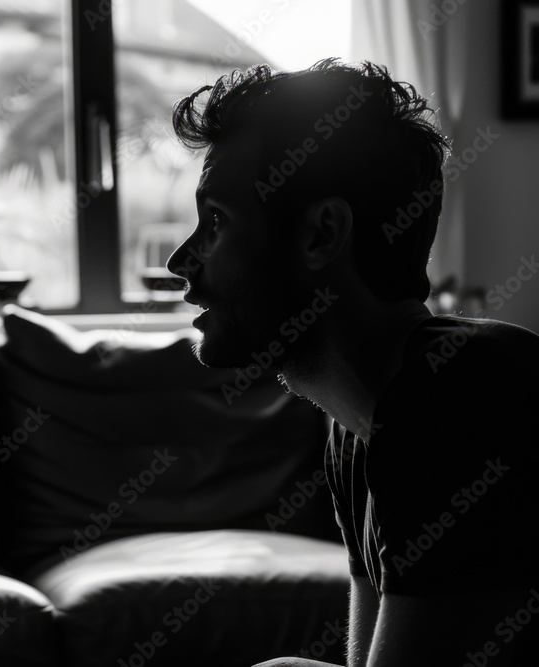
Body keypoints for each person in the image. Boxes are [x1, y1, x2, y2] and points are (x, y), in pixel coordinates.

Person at [166, 58, 539, 666]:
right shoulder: (359, 424)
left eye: (216, 220)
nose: (181, 261)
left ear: (322, 234)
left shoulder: (458, 395)